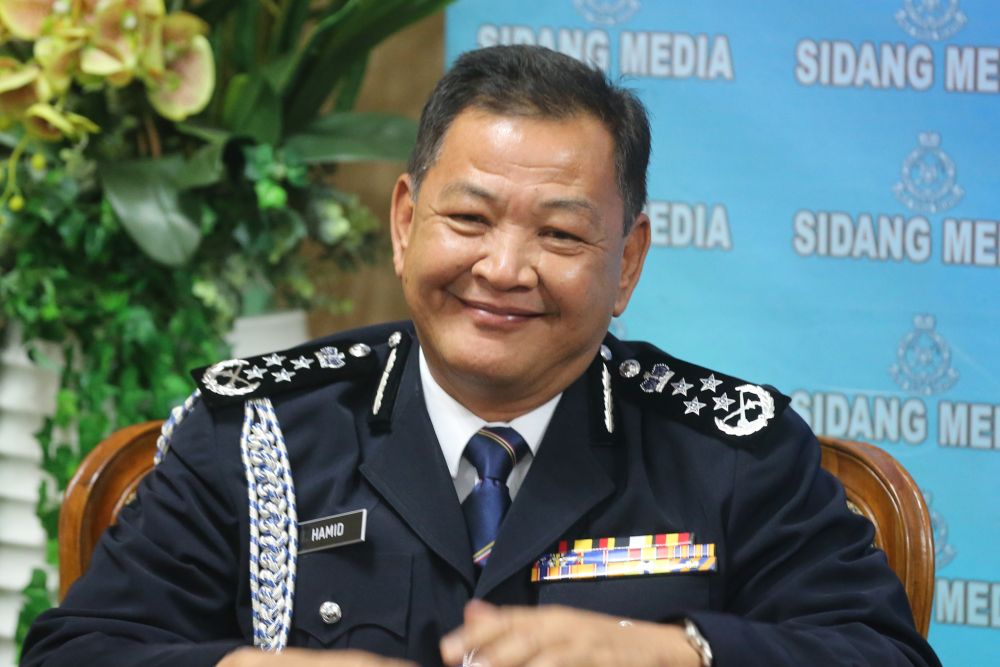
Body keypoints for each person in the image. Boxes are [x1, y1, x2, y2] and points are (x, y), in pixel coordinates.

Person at [22, 45, 941, 667]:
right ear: (403, 220)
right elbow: (82, 649)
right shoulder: (258, 430)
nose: (503, 269)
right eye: (467, 219)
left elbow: (882, 654)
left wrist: (673, 651)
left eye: (561, 235)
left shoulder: (731, 448)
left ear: (627, 262)